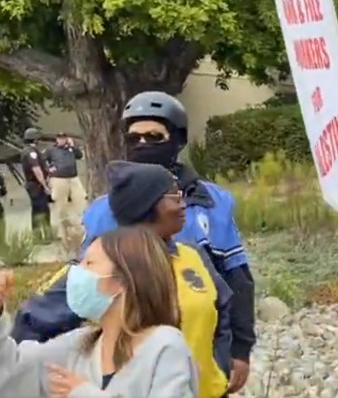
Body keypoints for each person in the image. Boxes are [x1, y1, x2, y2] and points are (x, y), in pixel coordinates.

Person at [77, 91, 254, 393]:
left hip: (202, 361)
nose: (143, 145)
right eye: (135, 139)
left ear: (177, 140)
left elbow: (237, 280)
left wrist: (240, 350)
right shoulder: (103, 211)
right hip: (130, 369)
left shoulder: (213, 203)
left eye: (154, 137)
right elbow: (82, 290)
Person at [14, 162, 233, 398]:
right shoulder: (101, 266)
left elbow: (223, 309)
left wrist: (225, 364)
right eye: (173, 195)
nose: (183, 203)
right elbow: (29, 329)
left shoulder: (192, 255)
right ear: (147, 205)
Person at [0, 226, 198, 397]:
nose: (76, 273)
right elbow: (12, 374)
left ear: (122, 280)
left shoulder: (164, 347)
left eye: (89, 263)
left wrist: (83, 393)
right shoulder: (79, 346)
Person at [44, 132, 88, 239]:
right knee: (61, 205)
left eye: (64, 138)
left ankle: (82, 228)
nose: (62, 140)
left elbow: (80, 155)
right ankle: (62, 232)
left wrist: (73, 146)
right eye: (60, 138)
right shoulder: (51, 150)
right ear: (56, 139)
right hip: (59, 178)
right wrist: (48, 169)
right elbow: (41, 160)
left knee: (81, 200)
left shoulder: (70, 149)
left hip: (73, 177)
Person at [21, 127, 52, 237]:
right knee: (42, 210)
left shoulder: (29, 151)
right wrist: (45, 185)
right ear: (34, 139)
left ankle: (38, 236)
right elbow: (36, 170)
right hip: (36, 185)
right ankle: (44, 235)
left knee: (37, 210)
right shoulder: (31, 152)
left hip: (34, 185)